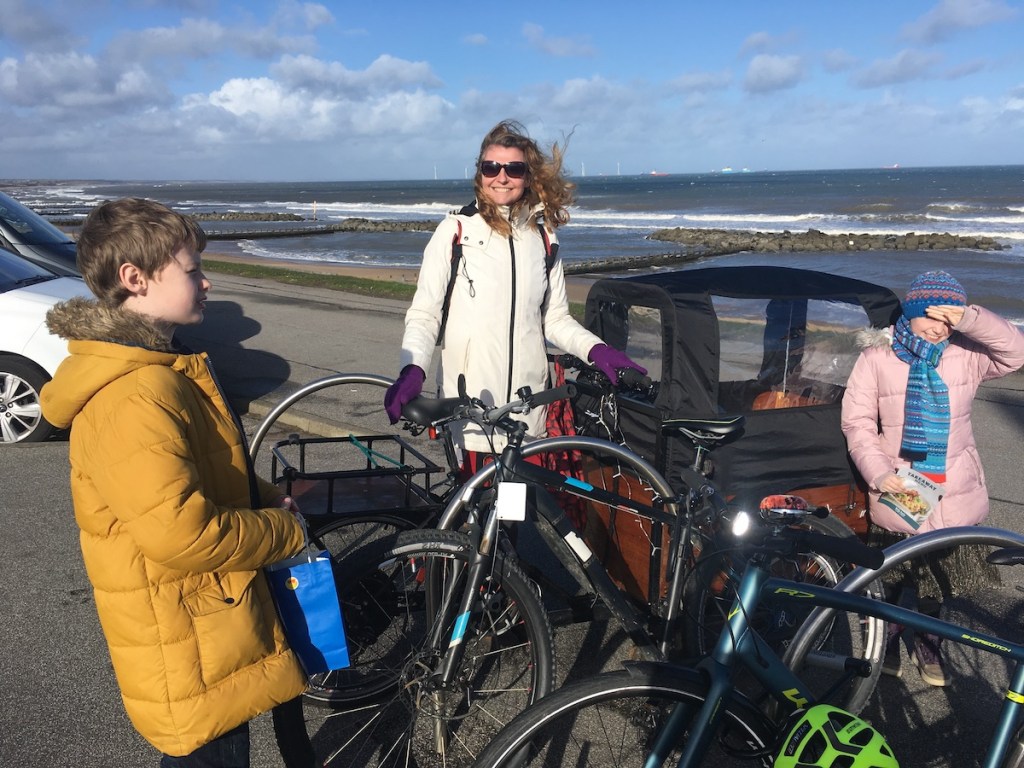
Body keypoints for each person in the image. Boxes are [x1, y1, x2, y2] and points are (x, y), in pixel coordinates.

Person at [40, 198, 316, 767]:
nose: (207, 281)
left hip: (202, 622)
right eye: (191, 270)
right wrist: (283, 529)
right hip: (186, 637)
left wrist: (262, 498)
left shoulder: (159, 369)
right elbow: (182, 535)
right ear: (134, 279)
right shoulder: (135, 394)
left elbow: (202, 473)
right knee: (210, 751)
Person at [384, 119, 644, 473]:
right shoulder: (455, 231)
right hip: (470, 408)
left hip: (529, 408)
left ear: (528, 175)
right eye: (491, 167)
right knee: (477, 520)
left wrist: (597, 350)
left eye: (514, 168)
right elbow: (425, 314)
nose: (501, 177)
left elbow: (555, 319)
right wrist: (412, 368)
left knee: (523, 516)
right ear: (480, 172)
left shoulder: (544, 238)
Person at [842, 270, 1024, 686]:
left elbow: (1016, 352)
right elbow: (857, 423)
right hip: (900, 489)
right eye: (932, 317)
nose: (940, 328)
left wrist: (971, 319)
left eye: (948, 319)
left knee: (935, 589)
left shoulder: (966, 352)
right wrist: (878, 472)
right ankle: (885, 645)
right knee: (890, 583)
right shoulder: (876, 357)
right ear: (911, 312)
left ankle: (929, 647)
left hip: (953, 490)